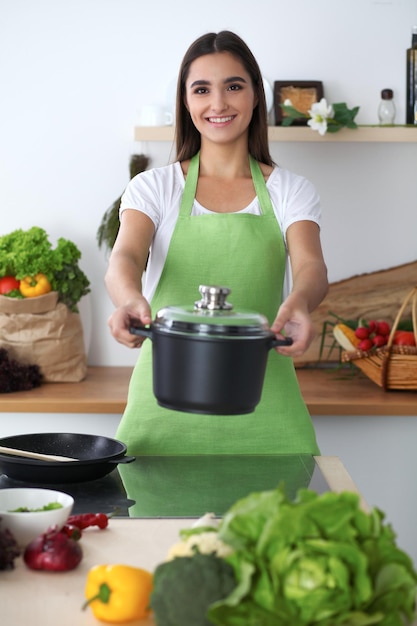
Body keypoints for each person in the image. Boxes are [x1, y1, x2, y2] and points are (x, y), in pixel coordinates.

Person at [105, 30, 328, 456]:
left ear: (255, 96)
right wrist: (128, 299)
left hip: (267, 412)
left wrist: (299, 301)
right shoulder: (155, 187)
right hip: (162, 416)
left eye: (234, 86)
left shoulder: (289, 190)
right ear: (186, 102)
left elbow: (311, 267)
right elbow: (126, 257)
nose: (219, 103)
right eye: (202, 89)